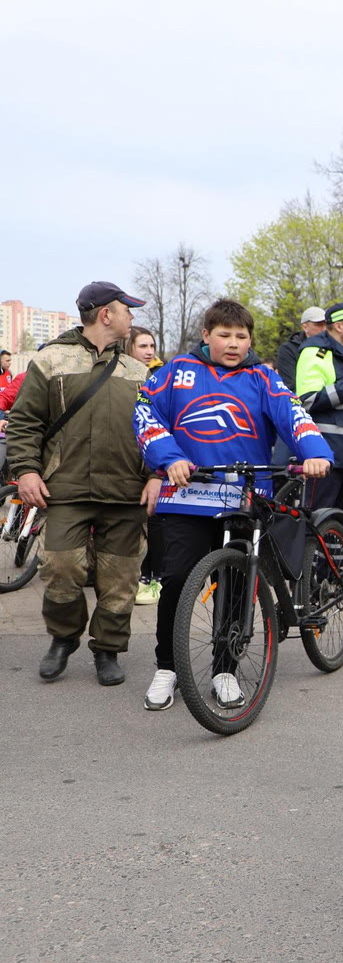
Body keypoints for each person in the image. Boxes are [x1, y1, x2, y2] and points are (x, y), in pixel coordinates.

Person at [132, 299, 334, 711]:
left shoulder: (263, 378)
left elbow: (293, 414)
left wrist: (314, 450)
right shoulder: (176, 373)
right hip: (186, 498)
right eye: (224, 334)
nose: (233, 343)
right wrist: (170, 459)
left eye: (241, 336)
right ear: (206, 335)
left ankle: (226, 668)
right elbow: (145, 414)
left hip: (244, 498)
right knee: (176, 583)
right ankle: (166, 668)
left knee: (238, 587)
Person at [5, 281, 158, 685]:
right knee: (59, 567)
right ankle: (63, 638)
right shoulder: (51, 359)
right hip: (66, 487)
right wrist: (26, 470)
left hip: (127, 491)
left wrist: (157, 475)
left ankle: (107, 649)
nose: (132, 317)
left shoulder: (140, 371)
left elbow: (158, 430)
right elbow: (24, 422)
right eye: (127, 309)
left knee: (121, 577)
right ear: (106, 314)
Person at [294, 302, 343, 517]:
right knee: (319, 518)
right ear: (338, 326)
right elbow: (307, 400)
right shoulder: (316, 352)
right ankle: (316, 553)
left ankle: (337, 552)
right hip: (327, 454)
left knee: (340, 517)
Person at [129, 327, 168, 606]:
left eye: (152, 345)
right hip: (126, 460)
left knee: (155, 520)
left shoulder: (160, 378)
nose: (149, 351)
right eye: (143, 346)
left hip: (154, 461)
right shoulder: (120, 376)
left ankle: (152, 577)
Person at [273, 307, 328, 392]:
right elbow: (289, 385)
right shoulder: (288, 350)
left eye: (326, 324)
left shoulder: (332, 348)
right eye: (319, 324)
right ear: (305, 327)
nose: (324, 329)